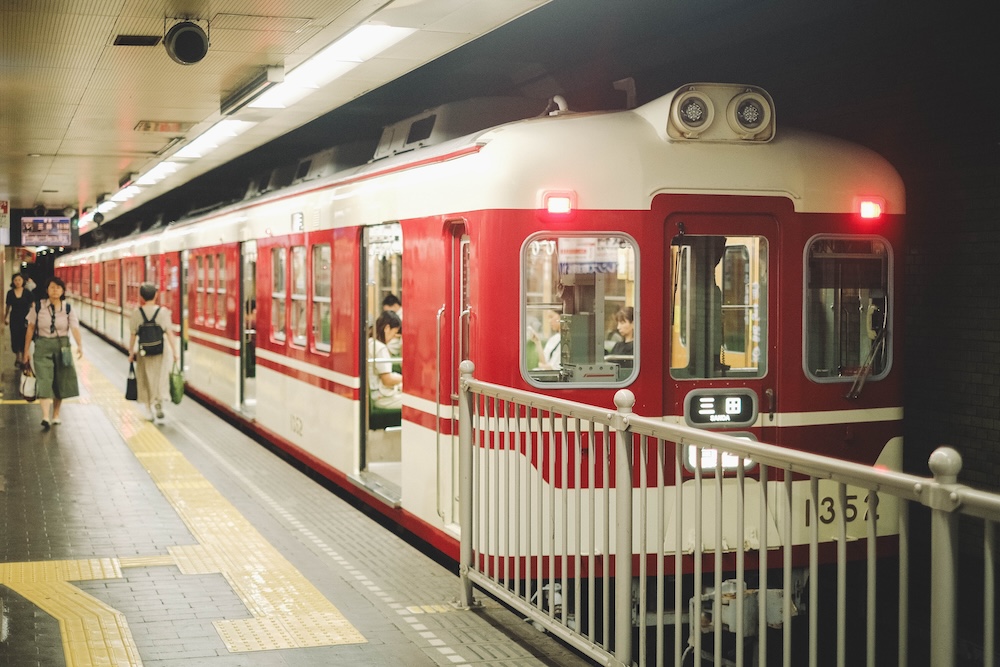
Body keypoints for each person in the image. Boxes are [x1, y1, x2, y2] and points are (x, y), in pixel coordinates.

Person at [23, 277, 83, 430]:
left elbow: (75, 328)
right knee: (44, 379)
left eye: (58, 287)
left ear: (62, 291)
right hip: (42, 345)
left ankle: (56, 414)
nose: (55, 290)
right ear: (47, 290)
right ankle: (45, 416)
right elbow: (30, 328)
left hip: (62, 346)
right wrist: (26, 352)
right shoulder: (38, 307)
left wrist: (80, 345)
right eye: (52, 287)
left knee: (60, 381)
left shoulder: (68, 308)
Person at [127, 283, 178, 424]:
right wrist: (175, 352)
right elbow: (169, 333)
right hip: (161, 351)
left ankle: (148, 410)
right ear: (156, 295)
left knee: (145, 378)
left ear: (141, 297)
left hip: (144, 351)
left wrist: (131, 352)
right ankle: (159, 404)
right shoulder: (163, 312)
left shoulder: (137, 313)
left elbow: (133, 335)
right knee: (160, 377)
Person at [367, 310, 402, 409]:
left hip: (375, 393)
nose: (393, 338)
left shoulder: (370, 342)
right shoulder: (380, 348)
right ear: (387, 328)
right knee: (413, 402)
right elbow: (387, 380)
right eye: (394, 333)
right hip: (381, 398)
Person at [4, 274, 34, 367]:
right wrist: (5, 317)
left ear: (23, 281)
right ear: (13, 281)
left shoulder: (27, 292)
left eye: (19, 280)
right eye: (16, 280)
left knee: (25, 337)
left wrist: (33, 318)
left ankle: (25, 356)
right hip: (14, 318)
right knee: (15, 336)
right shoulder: (10, 293)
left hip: (26, 318)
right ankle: (18, 357)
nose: (17, 282)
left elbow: (32, 305)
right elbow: (8, 306)